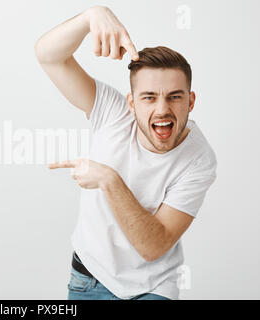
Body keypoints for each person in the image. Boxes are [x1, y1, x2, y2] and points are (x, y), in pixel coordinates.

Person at [34, 5, 217, 300]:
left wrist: (109, 179)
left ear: (191, 101)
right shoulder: (111, 111)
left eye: (174, 97)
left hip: (152, 288)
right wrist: (91, 16)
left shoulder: (199, 158)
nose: (162, 110)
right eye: (149, 97)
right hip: (88, 279)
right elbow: (48, 55)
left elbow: (153, 246)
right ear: (131, 104)